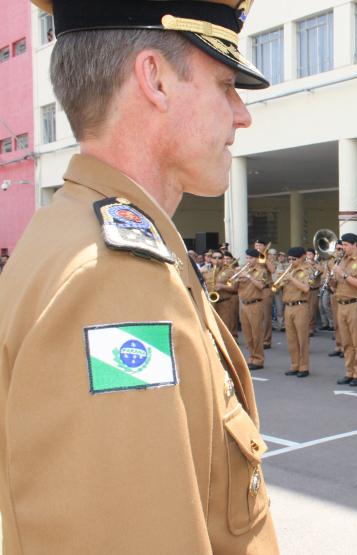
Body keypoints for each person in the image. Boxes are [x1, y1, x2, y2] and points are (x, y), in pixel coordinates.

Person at [0, 1, 278, 552]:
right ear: (154, 79)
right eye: (225, 85)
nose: (242, 114)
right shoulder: (108, 280)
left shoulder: (80, 237)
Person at [332, 233, 357, 387]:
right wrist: (332, 279)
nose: (344, 248)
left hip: (355, 304)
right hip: (341, 304)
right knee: (346, 342)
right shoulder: (342, 261)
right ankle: (349, 372)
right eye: (343, 245)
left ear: (355, 245)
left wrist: (344, 275)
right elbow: (336, 284)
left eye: (347, 245)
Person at [281, 247, 312, 378]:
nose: (291, 262)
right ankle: (294, 365)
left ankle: (304, 367)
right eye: (289, 259)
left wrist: (292, 279)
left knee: (302, 338)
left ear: (302, 257)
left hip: (301, 306)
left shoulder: (308, 270)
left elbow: (306, 288)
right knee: (291, 339)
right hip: (288, 306)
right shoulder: (290, 270)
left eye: (294, 259)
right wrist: (282, 279)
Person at [238, 249, 270, 370]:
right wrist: (236, 277)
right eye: (247, 258)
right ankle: (251, 356)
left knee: (256, 333)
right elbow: (234, 286)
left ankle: (258, 359)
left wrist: (249, 276)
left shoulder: (261, 271)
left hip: (255, 304)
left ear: (256, 259)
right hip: (244, 305)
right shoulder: (243, 270)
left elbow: (261, 286)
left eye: (250, 258)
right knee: (247, 334)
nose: (248, 261)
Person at [213, 250, 240, 338]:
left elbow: (235, 289)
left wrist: (222, 286)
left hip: (226, 302)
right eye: (214, 258)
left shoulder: (230, 271)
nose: (217, 260)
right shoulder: (208, 271)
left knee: (227, 329)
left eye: (220, 258)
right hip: (213, 303)